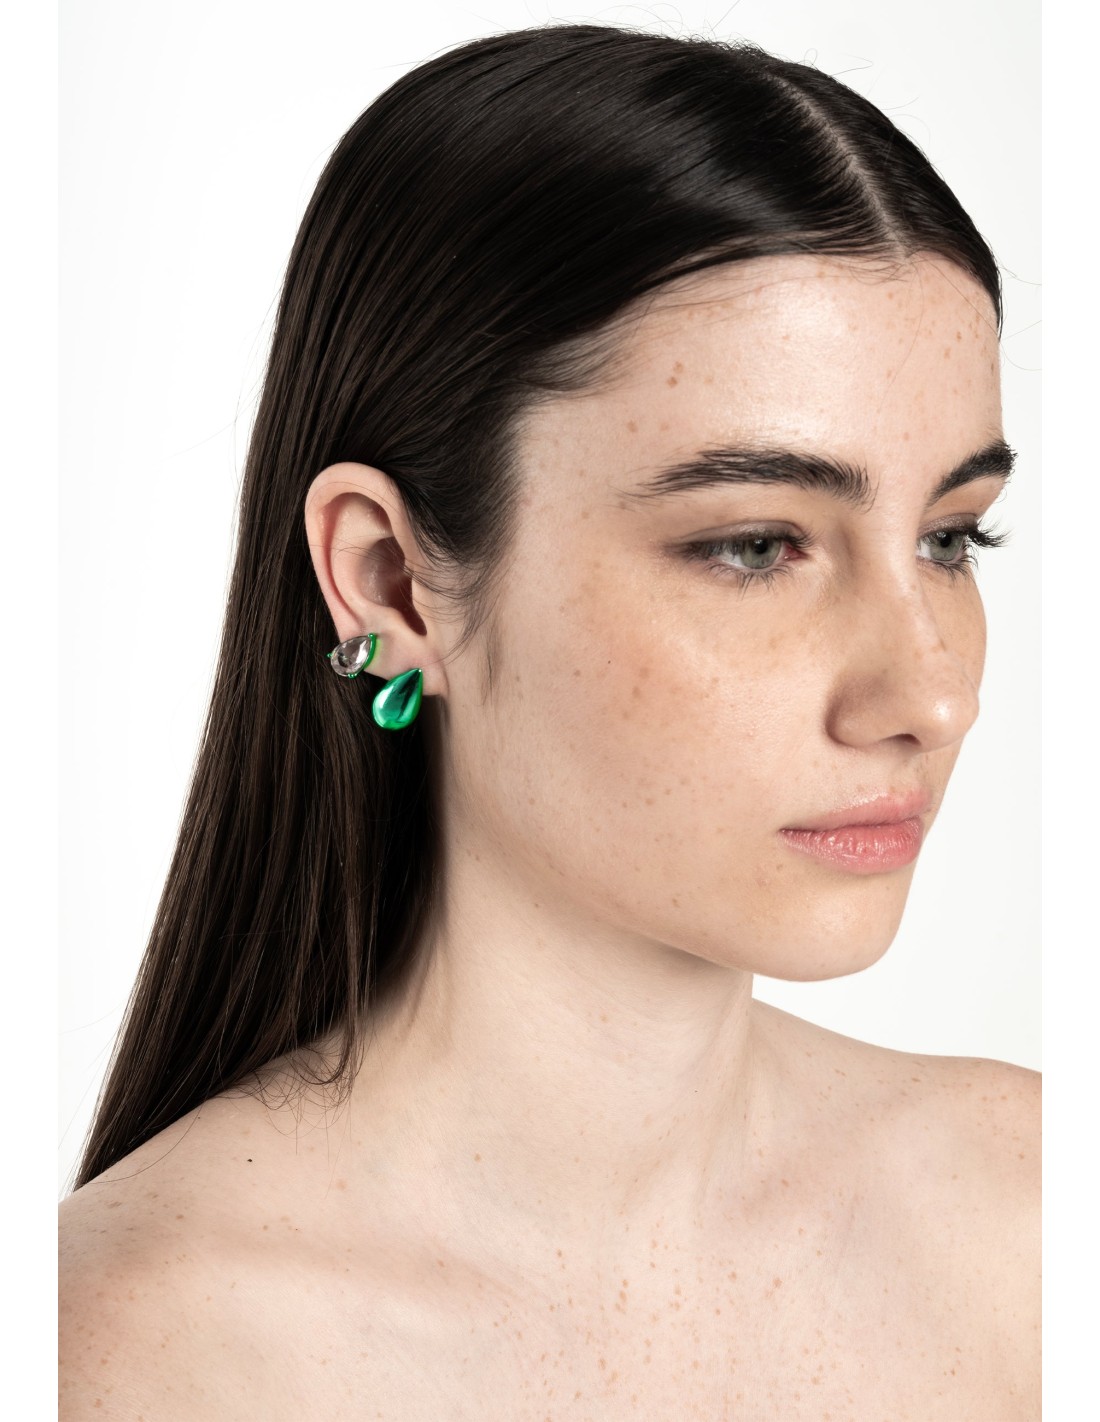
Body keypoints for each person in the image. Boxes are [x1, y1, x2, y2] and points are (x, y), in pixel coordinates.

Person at [59, 22, 1039, 1419]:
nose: (934, 695)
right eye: (755, 545)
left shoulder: (1039, 1223)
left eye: (951, 538)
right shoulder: (115, 1354)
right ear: (391, 583)